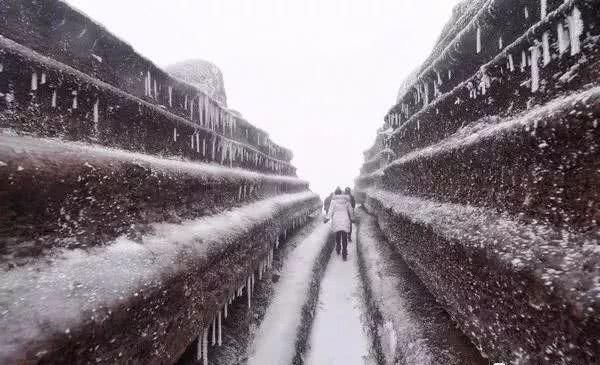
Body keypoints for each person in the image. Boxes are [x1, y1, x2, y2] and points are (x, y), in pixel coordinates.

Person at [324, 187, 353, 260]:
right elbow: (351, 210)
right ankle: (344, 253)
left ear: (335, 193)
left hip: (336, 219)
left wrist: (327, 218)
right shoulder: (346, 200)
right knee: (344, 236)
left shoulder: (333, 201)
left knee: (338, 234)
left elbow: (330, 210)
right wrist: (352, 218)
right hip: (345, 219)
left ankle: (338, 247)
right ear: (341, 193)